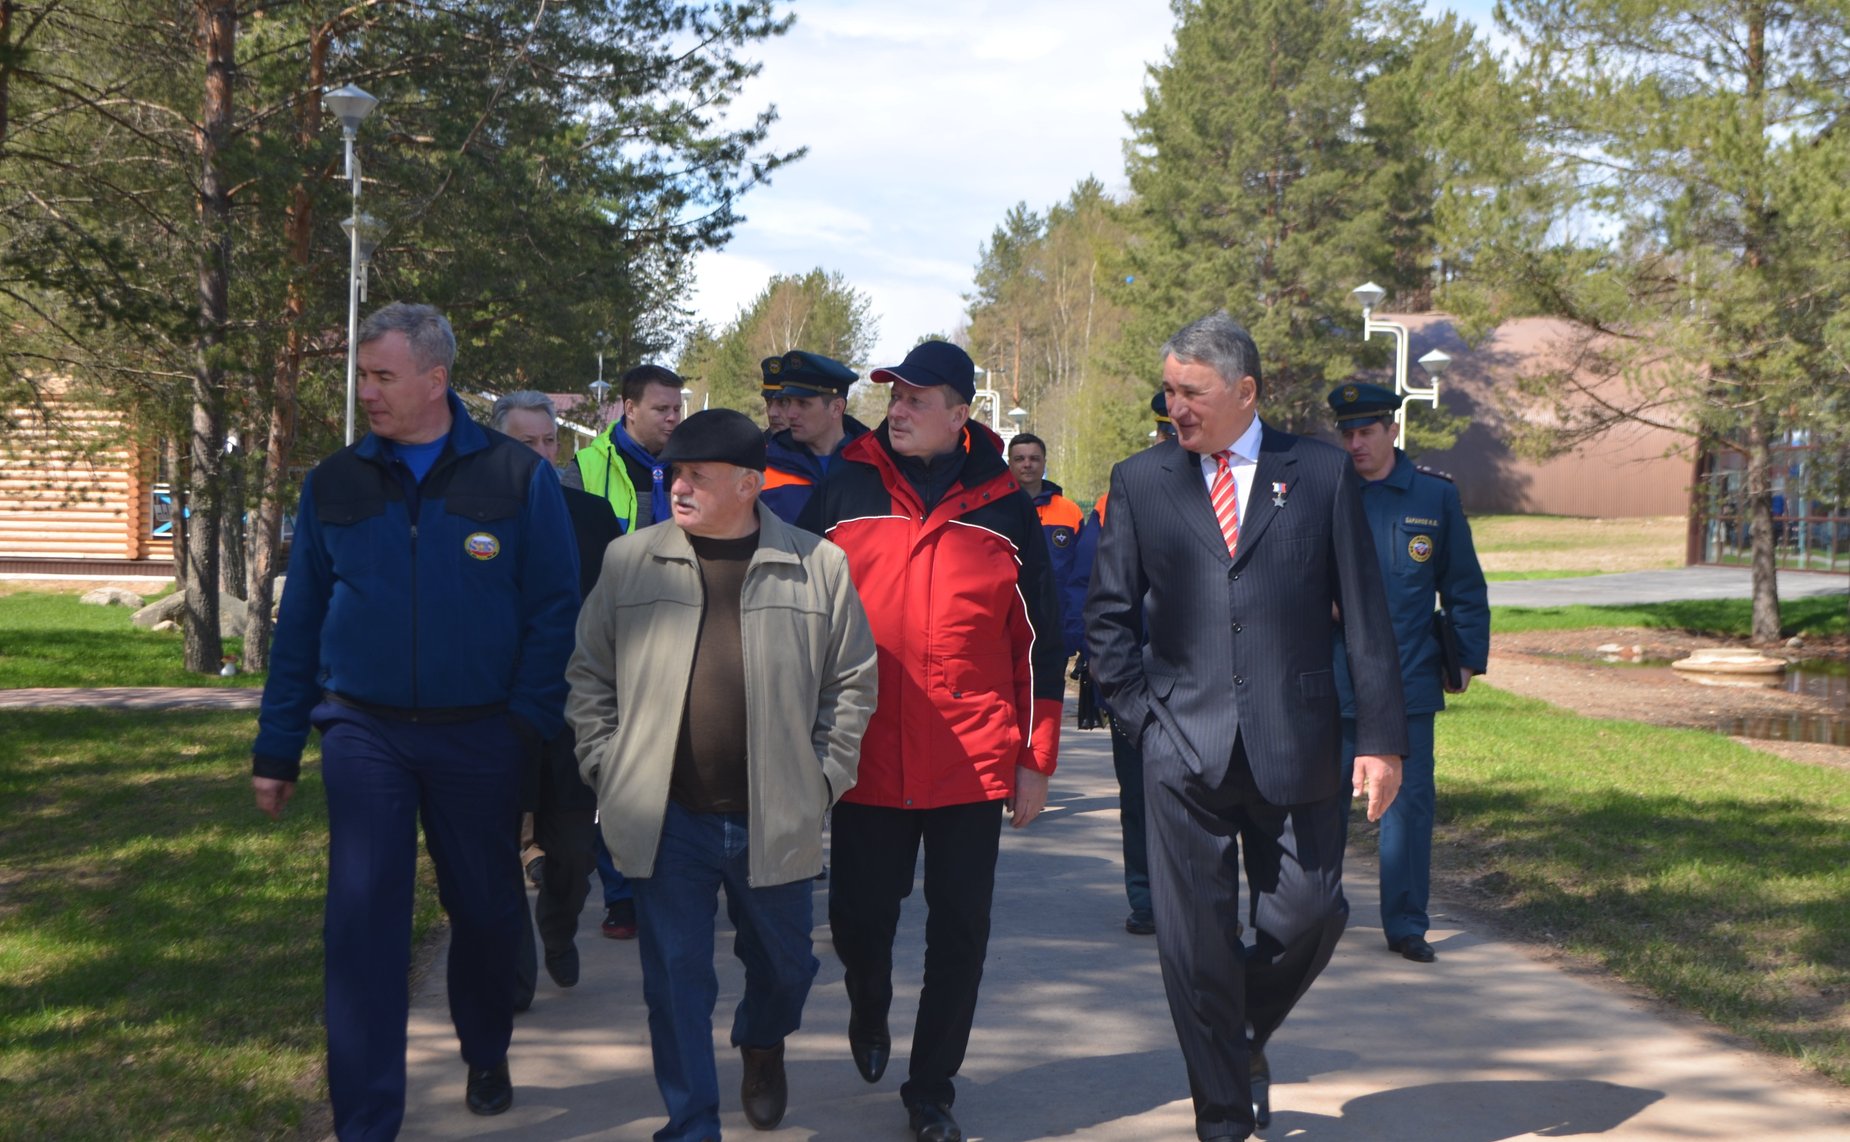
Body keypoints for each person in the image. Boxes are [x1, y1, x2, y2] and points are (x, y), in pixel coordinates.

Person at [250, 303, 580, 1138]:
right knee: (362, 922)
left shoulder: (516, 477)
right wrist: (278, 747)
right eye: (362, 376)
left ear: (436, 381)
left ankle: (485, 1045)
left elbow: (553, 610)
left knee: (483, 908)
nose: (367, 392)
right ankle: (366, 1119)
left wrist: (523, 724)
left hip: (481, 736)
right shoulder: (335, 483)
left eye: (382, 376)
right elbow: (302, 627)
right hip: (365, 732)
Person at [1084, 312, 1407, 1140]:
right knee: (1192, 950)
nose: (1176, 406)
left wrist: (1381, 739)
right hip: (1180, 749)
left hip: (1296, 740)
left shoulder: (1322, 474)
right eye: (1169, 391)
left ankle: (1239, 1031)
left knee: (1312, 912)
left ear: (1246, 391)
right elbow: (1109, 619)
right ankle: (1223, 1118)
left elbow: (1367, 621)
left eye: (1193, 392)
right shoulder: (1142, 480)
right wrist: (1142, 725)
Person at [567, 408, 878, 1142]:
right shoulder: (630, 560)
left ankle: (762, 1041)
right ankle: (691, 1125)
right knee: (674, 983)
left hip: (775, 817)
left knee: (787, 969)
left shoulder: (817, 564)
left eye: (697, 476)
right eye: (673, 473)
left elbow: (853, 683)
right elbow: (588, 676)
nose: (679, 487)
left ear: (749, 483)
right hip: (666, 815)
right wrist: (608, 767)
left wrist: (822, 779)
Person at [797, 339, 1065, 1142]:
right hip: (865, 757)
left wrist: (1035, 759)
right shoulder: (843, 487)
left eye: (917, 399)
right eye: (894, 396)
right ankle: (868, 1001)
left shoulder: (1008, 507)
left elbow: (1041, 643)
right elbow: (798, 614)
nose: (898, 410)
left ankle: (931, 1089)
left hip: (970, 763)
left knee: (961, 933)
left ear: (961, 413)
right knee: (858, 920)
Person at [1327, 382, 1490, 964]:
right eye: (1345, 433)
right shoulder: (1323, 492)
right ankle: (1317, 916)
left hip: (1407, 676)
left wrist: (1466, 657)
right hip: (1332, 675)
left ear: (1392, 430)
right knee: (1322, 804)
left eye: (1365, 432)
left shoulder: (1433, 498)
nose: (1354, 444)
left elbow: (1463, 584)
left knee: (1408, 804)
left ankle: (1406, 924)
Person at [490, 391, 624, 1007]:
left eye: (551, 442)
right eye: (527, 445)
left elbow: (616, 614)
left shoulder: (593, 517)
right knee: (491, 858)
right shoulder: (474, 515)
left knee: (573, 850)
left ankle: (560, 924)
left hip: (574, 711)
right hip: (494, 712)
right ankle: (512, 974)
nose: (544, 456)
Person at [1070, 389, 1178, 937]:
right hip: (1139, 674)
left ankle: (1196, 899)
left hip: (1206, 679)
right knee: (1138, 795)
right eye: (1165, 429)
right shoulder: (1123, 492)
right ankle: (1146, 897)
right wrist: (1112, 675)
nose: (1173, 438)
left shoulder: (1233, 488)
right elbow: (1100, 590)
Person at [761, 349, 871, 523]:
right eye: (788, 401)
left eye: (803, 403)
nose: (790, 413)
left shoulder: (873, 465)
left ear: (836, 408)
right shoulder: (765, 465)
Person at [573, 363, 684, 532]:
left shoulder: (690, 465)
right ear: (630, 409)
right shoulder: (584, 467)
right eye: (662, 409)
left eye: (677, 409)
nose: (672, 417)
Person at [1007, 432, 1086, 657]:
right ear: (1009, 464)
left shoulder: (1069, 511)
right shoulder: (996, 508)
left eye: (1034, 458)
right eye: (1020, 459)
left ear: (1044, 463)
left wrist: (1075, 626)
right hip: (1008, 622)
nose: (1027, 464)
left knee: (1048, 692)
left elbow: (1082, 573)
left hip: (1056, 624)